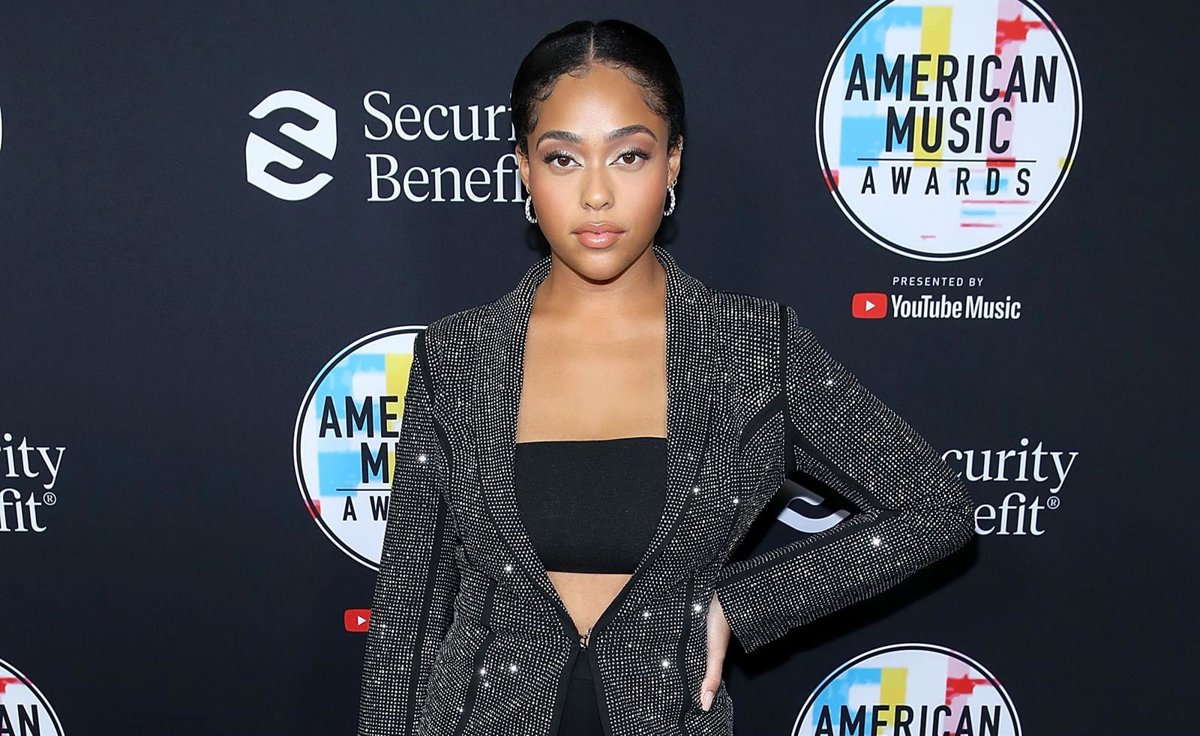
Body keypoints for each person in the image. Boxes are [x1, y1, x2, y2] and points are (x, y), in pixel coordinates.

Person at [357, 18, 976, 736]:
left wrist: (746, 603)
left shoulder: (751, 348)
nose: (596, 195)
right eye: (562, 159)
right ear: (523, 168)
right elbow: (406, 615)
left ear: (673, 162)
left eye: (629, 156)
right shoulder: (458, 356)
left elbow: (937, 509)